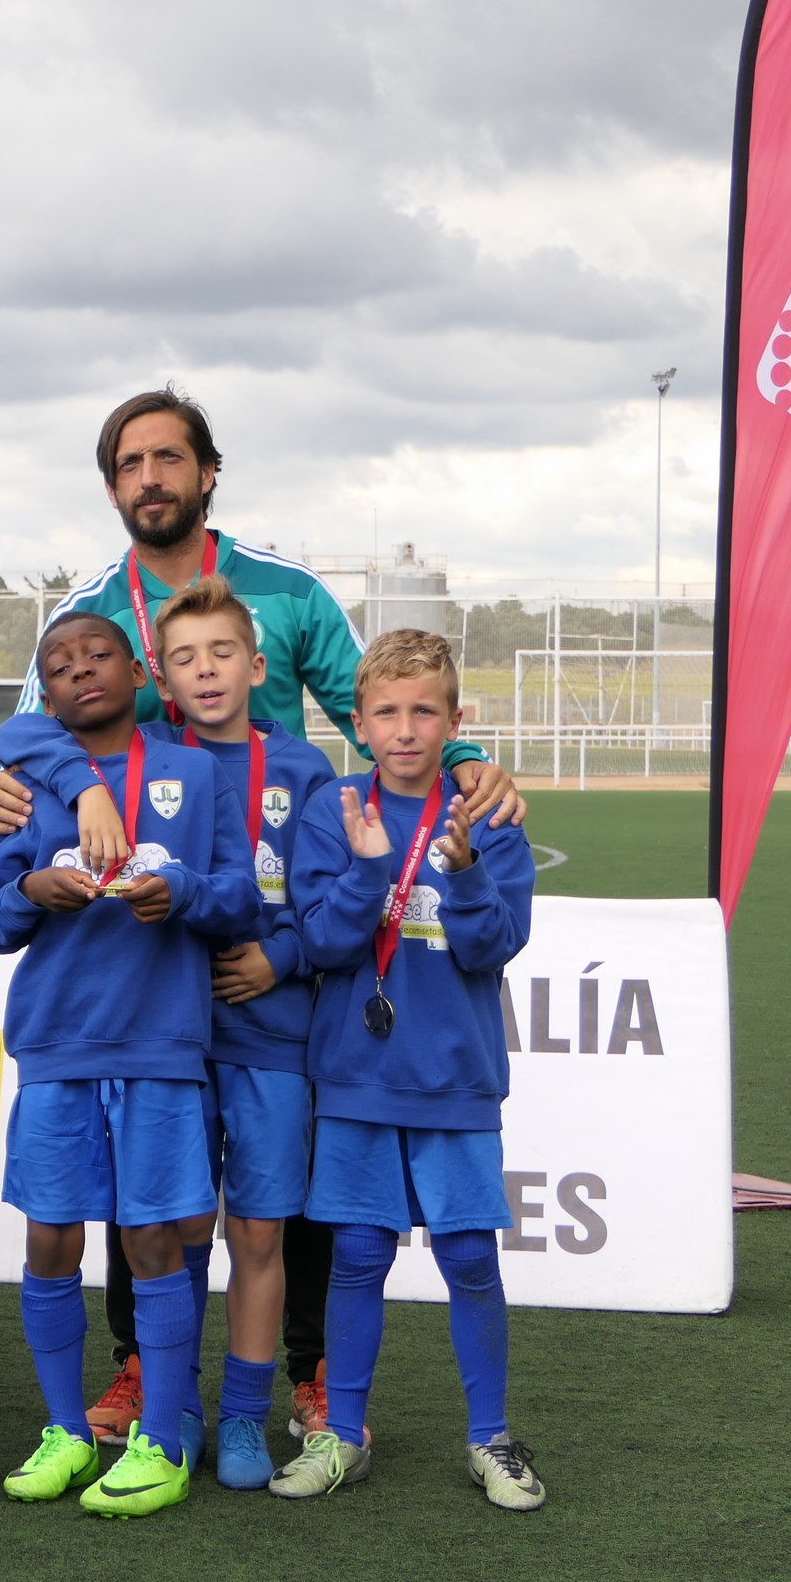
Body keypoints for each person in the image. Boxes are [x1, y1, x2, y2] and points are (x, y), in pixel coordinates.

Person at [0, 387, 528, 1447]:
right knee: (153, 1198)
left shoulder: (289, 599)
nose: (150, 478)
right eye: (130, 463)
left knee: (281, 1203)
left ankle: (299, 1376)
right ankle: (148, 1376)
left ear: (207, 471)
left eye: (168, 458)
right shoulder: (91, 608)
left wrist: (464, 761)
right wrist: (51, 784)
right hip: (157, 981)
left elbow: (382, 704)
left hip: (282, 971)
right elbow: (30, 727)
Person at [0, 611, 258, 1518]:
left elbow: (240, 897)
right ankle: (65, 1431)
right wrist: (31, 889)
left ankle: (162, 1440)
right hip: (57, 1046)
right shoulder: (25, 784)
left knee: (152, 1240)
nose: (81, 670)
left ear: (138, 672)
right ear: (47, 694)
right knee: (50, 1236)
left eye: (99, 655)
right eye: (59, 665)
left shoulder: (194, 774)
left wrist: (183, 894)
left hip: (162, 1046)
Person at [273, 629, 543, 1510]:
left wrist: (463, 877)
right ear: (358, 723)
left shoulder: (488, 815)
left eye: (425, 711)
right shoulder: (335, 809)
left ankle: (490, 1437)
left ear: (454, 722)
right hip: (356, 1075)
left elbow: (495, 947)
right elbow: (322, 941)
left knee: (468, 1254)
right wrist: (367, 870)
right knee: (356, 1253)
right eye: (385, 712)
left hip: (455, 1077)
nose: (405, 728)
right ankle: (344, 1435)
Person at [145, 576, 338, 1489]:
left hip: (272, 1038)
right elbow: (38, 739)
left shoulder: (302, 770)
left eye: (222, 651)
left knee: (259, 1233)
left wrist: (281, 957)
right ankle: (177, 1405)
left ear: (257, 667)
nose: (206, 670)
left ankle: (245, 1417)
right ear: (162, 678)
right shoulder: (146, 758)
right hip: (174, 1038)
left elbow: (337, 902)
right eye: (185, 658)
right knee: (182, 1225)